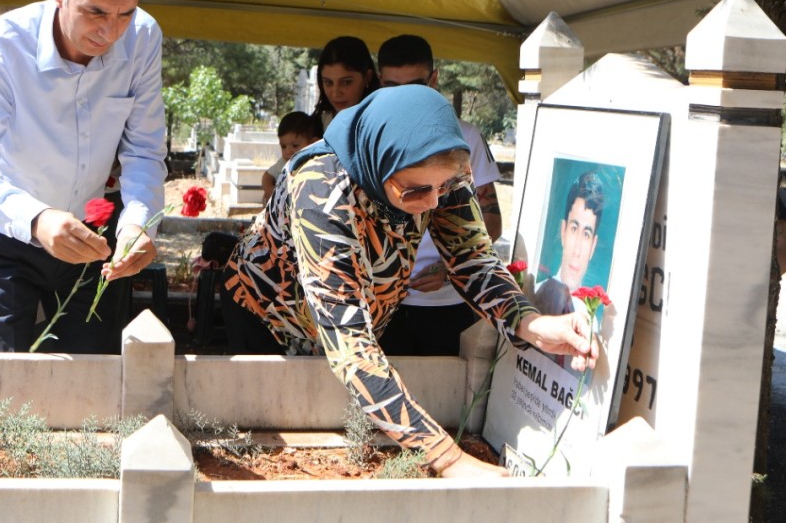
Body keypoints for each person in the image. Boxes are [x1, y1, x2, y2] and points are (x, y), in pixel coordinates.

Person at [221, 85, 597, 477]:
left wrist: (531, 323)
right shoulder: (321, 187)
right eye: (417, 191)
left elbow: (471, 257)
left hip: (355, 313)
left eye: (445, 188)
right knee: (282, 430)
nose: (434, 204)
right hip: (269, 317)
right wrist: (447, 458)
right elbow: (349, 343)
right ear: (380, 164)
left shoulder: (437, 170)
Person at [0, 0, 167, 354]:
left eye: (125, 12)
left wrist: (137, 223)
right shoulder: (0, 45)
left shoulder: (143, 35)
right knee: (3, 383)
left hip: (94, 232)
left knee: (92, 379)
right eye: (96, 12)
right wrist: (37, 219)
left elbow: (144, 149)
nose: (111, 31)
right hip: (5, 229)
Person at [375, 34, 504, 356]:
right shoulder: (367, 138)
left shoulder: (466, 137)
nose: (404, 99)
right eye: (392, 88)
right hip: (379, 303)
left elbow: (491, 220)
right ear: (378, 83)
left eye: (415, 87)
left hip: (446, 303)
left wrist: (450, 267)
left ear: (434, 80)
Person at [533, 170, 606, 317]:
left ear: (593, 246)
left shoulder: (591, 323)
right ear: (563, 231)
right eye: (574, 228)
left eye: (586, 234)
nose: (577, 251)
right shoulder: (533, 297)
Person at [312, 36, 378, 129]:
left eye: (346, 82)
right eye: (328, 82)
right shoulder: (312, 128)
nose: (336, 93)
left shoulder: (382, 124)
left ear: (367, 77)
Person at [261, 111, 322, 204]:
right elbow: (267, 176)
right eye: (283, 146)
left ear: (313, 143)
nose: (288, 151)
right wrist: (271, 192)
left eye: (295, 145)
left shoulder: (318, 164)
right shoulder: (284, 163)